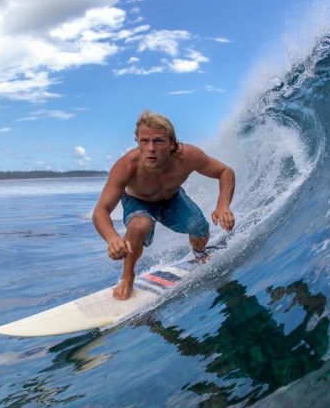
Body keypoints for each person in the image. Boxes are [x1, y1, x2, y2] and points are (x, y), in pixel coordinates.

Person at [92, 109, 235, 300]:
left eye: (158, 141)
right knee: (139, 225)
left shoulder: (188, 156)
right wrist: (112, 238)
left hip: (172, 198)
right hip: (138, 202)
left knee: (200, 229)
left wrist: (223, 206)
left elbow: (225, 171)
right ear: (137, 141)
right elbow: (101, 210)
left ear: (172, 143)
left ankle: (199, 253)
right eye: (144, 141)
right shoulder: (126, 166)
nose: (150, 148)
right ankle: (127, 276)